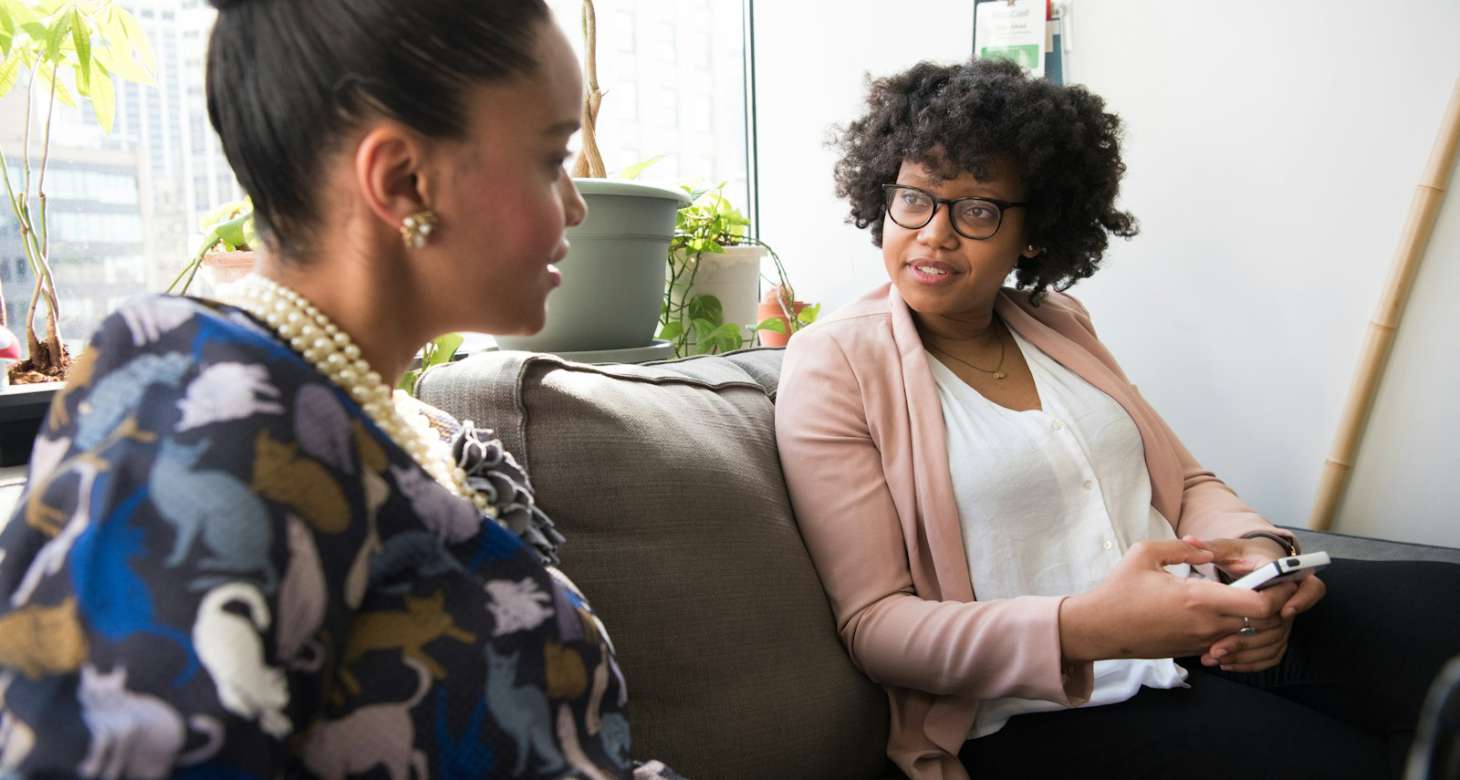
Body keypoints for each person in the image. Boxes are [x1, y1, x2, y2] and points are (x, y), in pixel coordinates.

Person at [0, 1, 679, 777]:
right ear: (403, 179)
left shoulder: (390, 421)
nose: (577, 206)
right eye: (553, 158)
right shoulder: (195, 407)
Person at [775, 57, 1460, 780]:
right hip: (1056, 702)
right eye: (915, 198)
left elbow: (1186, 480)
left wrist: (1259, 555)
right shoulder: (835, 363)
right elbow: (875, 626)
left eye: (977, 210)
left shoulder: (1058, 321)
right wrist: (1090, 625)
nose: (934, 234)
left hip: (1208, 619)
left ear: (1032, 234)